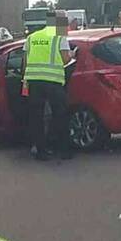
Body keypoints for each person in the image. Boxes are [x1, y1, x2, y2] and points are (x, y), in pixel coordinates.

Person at [23, 10, 73, 161]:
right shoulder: (60, 38)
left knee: (36, 117)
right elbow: (65, 60)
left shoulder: (32, 37)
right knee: (60, 115)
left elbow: (25, 62)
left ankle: (41, 151)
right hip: (53, 81)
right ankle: (63, 149)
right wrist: (72, 55)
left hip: (34, 81)